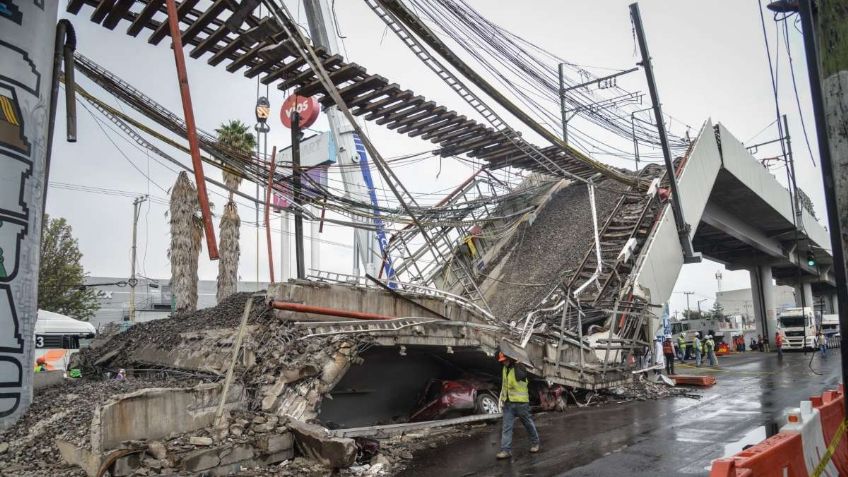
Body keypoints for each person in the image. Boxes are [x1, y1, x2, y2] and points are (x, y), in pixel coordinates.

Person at [496, 351, 539, 459]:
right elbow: (504, 385)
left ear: (510, 358)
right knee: (506, 427)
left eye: (505, 360)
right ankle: (506, 450)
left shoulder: (519, 367)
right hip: (508, 403)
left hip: (521, 403)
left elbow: (522, 375)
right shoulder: (504, 369)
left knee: (528, 424)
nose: (504, 362)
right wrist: (502, 399)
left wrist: (518, 364)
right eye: (502, 361)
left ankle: (535, 443)